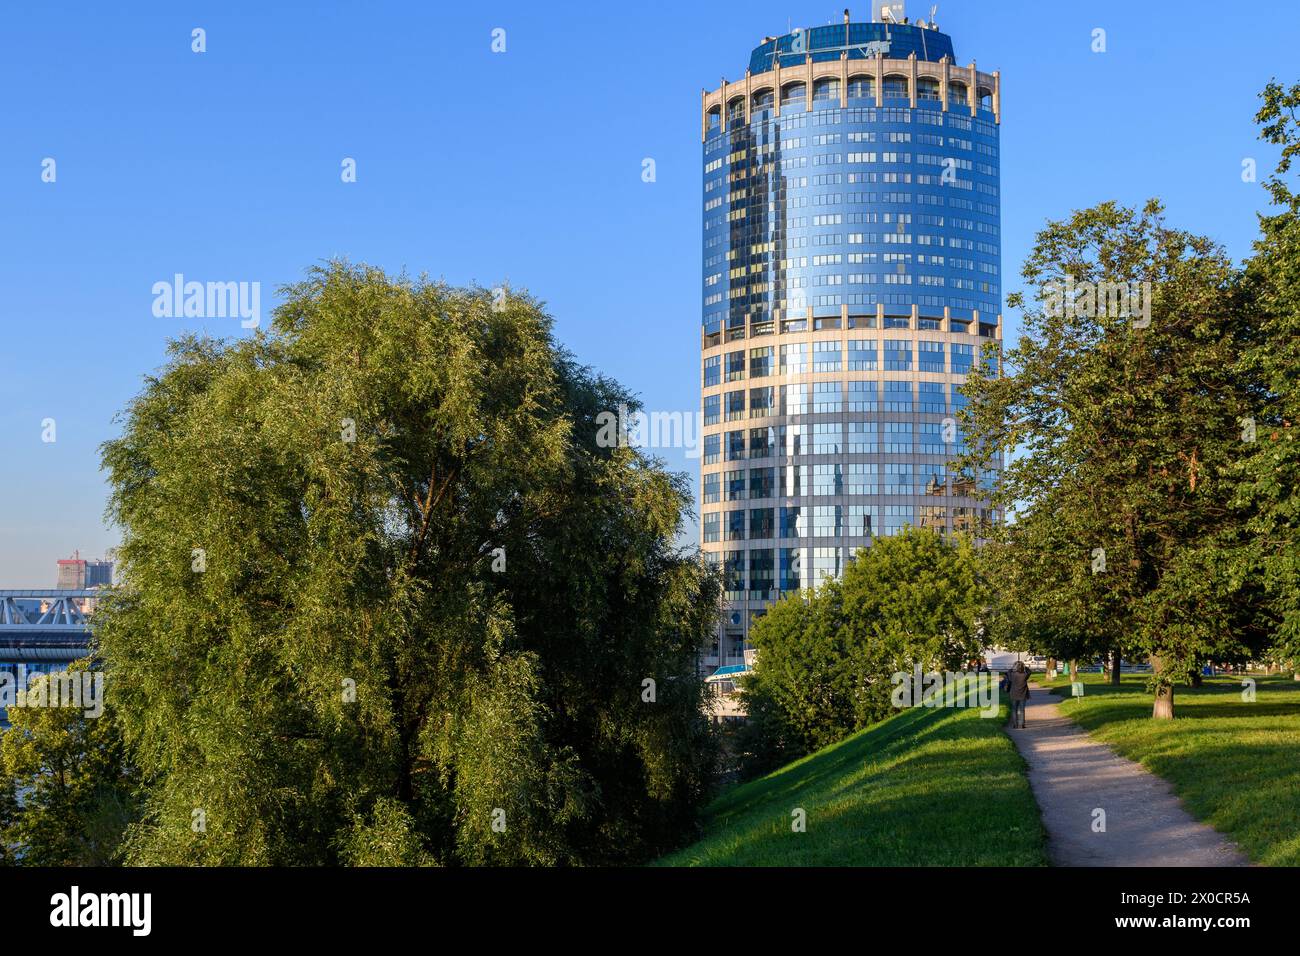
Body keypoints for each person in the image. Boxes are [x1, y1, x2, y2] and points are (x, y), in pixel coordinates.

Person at [1005, 660, 1031, 729]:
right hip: (1023, 694)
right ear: (1022, 668)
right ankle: (1022, 724)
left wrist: (1013, 667)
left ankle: (1015, 725)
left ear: (1015, 667)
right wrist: (1024, 667)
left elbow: (1008, 672)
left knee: (1014, 710)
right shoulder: (1025, 675)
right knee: (1022, 710)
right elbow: (1029, 671)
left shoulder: (1012, 675)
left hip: (1014, 694)